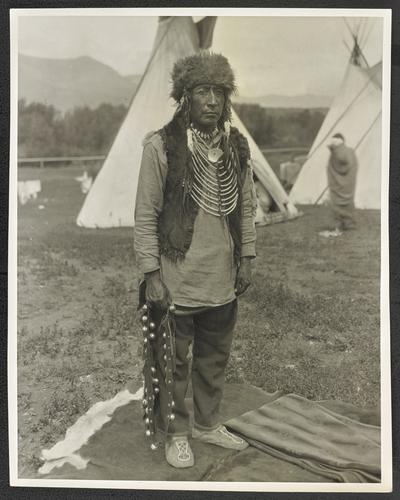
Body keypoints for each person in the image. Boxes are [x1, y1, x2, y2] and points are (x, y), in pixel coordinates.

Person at [134, 52, 257, 468]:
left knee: (214, 357)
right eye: (202, 91)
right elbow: (145, 214)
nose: (212, 101)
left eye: (219, 93)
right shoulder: (161, 145)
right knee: (174, 361)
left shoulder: (236, 147)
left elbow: (247, 208)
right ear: (184, 97)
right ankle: (177, 432)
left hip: (221, 278)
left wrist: (248, 254)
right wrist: (151, 272)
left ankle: (206, 424)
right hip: (176, 280)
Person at [326, 133, 358, 231]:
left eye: (335, 141)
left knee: (337, 201)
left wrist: (333, 150)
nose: (333, 143)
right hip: (347, 182)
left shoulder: (338, 152)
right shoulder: (349, 151)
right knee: (346, 201)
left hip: (340, 181)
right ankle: (347, 222)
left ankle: (341, 222)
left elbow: (342, 159)